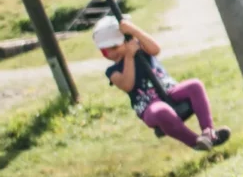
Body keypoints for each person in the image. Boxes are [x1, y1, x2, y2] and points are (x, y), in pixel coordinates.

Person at [93, 16, 230, 151]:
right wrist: (129, 56)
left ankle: (209, 132)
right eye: (105, 52)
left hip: (169, 90)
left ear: (127, 40)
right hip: (148, 104)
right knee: (161, 111)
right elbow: (127, 85)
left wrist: (134, 31)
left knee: (195, 85)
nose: (111, 54)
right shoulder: (112, 71)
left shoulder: (141, 48)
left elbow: (156, 49)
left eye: (115, 47)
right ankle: (196, 142)